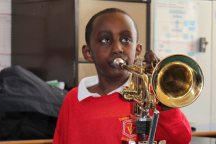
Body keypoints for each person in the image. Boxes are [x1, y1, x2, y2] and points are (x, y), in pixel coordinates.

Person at [52, 8, 192, 144]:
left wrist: (166, 98)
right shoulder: (73, 99)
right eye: (105, 40)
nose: (117, 49)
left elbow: (181, 139)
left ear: (137, 51)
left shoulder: (150, 96)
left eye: (126, 39)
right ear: (88, 53)